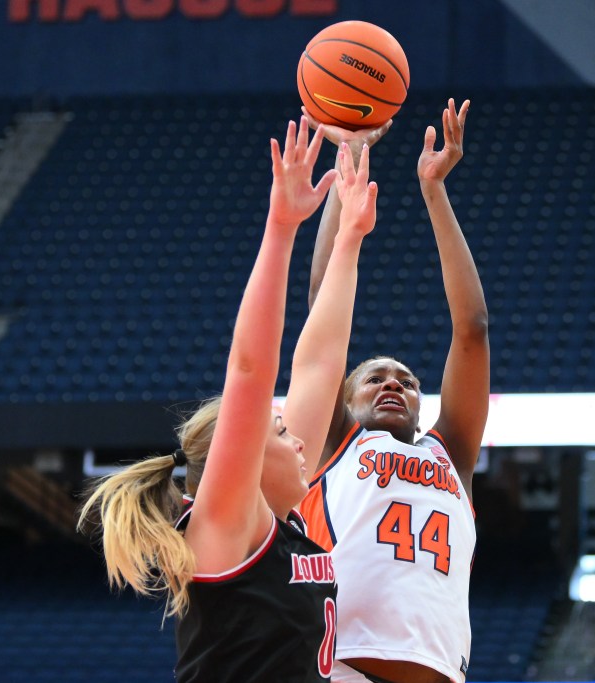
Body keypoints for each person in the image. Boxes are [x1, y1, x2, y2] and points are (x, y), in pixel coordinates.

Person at [78, 116, 379, 683]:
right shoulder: (222, 528)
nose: (299, 440)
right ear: (237, 460)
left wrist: (350, 241)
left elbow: (318, 367)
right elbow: (249, 370)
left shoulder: (277, 526)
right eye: (282, 432)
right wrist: (282, 225)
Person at [298, 98, 489, 683]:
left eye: (406, 381)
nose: (392, 384)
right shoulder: (335, 443)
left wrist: (434, 190)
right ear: (345, 396)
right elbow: (323, 308)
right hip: (342, 668)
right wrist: (351, 153)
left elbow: (473, 329)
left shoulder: (447, 453)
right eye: (374, 376)